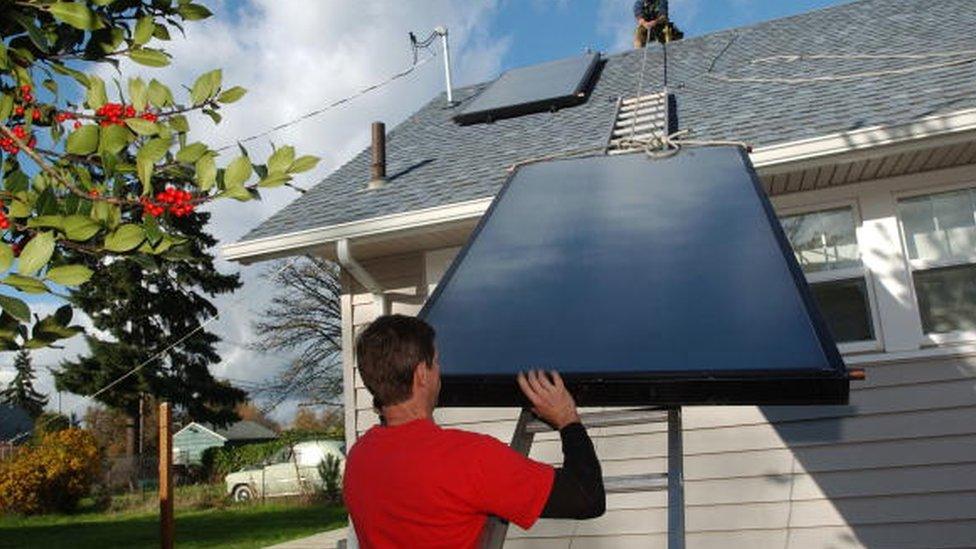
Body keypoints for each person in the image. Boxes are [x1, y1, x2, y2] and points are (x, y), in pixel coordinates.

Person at [344, 314, 605, 548]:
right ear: (422, 374)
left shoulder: (358, 459)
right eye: (436, 362)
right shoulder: (469, 459)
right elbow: (586, 497)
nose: (440, 372)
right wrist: (566, 418)